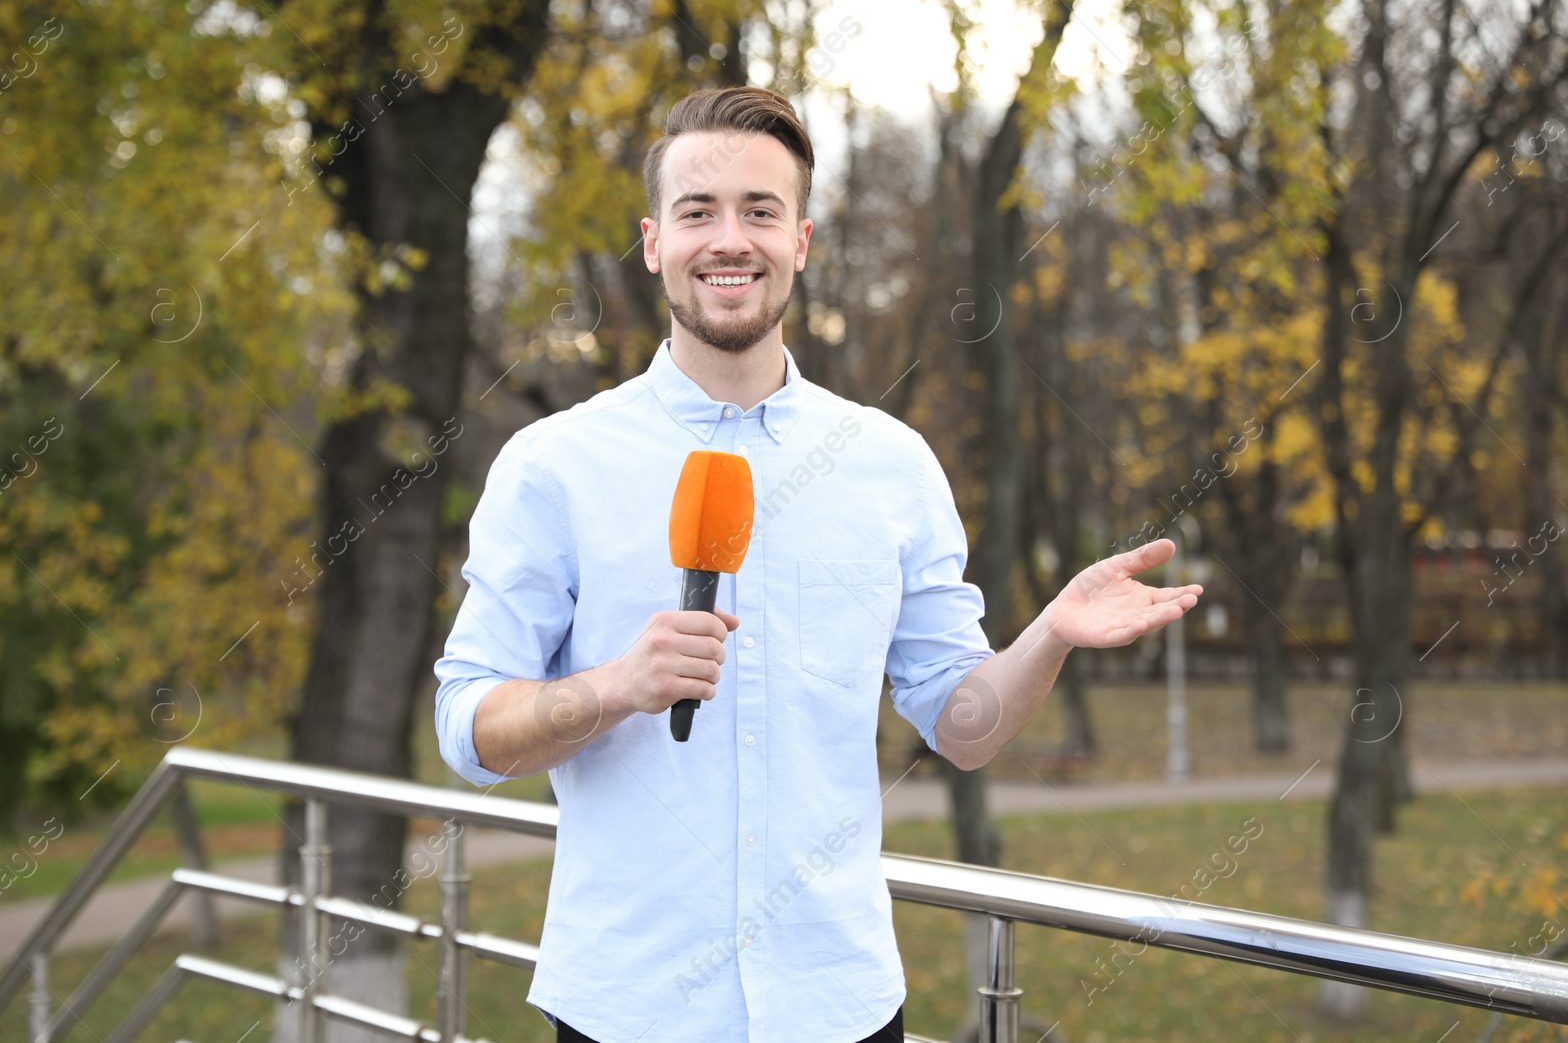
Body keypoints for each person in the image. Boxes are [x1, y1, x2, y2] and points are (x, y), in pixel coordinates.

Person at [433, 86, 1201, 1043]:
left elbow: (962, 728)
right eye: (698, 212)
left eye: (761, 211)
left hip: (840, 1006)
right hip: (627, 1008)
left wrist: (1049, 636)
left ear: (800, 240)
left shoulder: (890, 463)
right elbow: (466, 728)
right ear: (652, 241)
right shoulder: (554, 465)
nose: (730, 239)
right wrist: (615, 686)